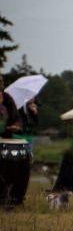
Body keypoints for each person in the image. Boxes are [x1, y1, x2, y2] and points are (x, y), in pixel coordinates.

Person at [0, 75, 29, 207]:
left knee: (23, 161)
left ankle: (16, 198)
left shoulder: (7, 99)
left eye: (1, 82)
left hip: (6, 139)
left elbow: (17, 118)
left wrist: (16, 126)